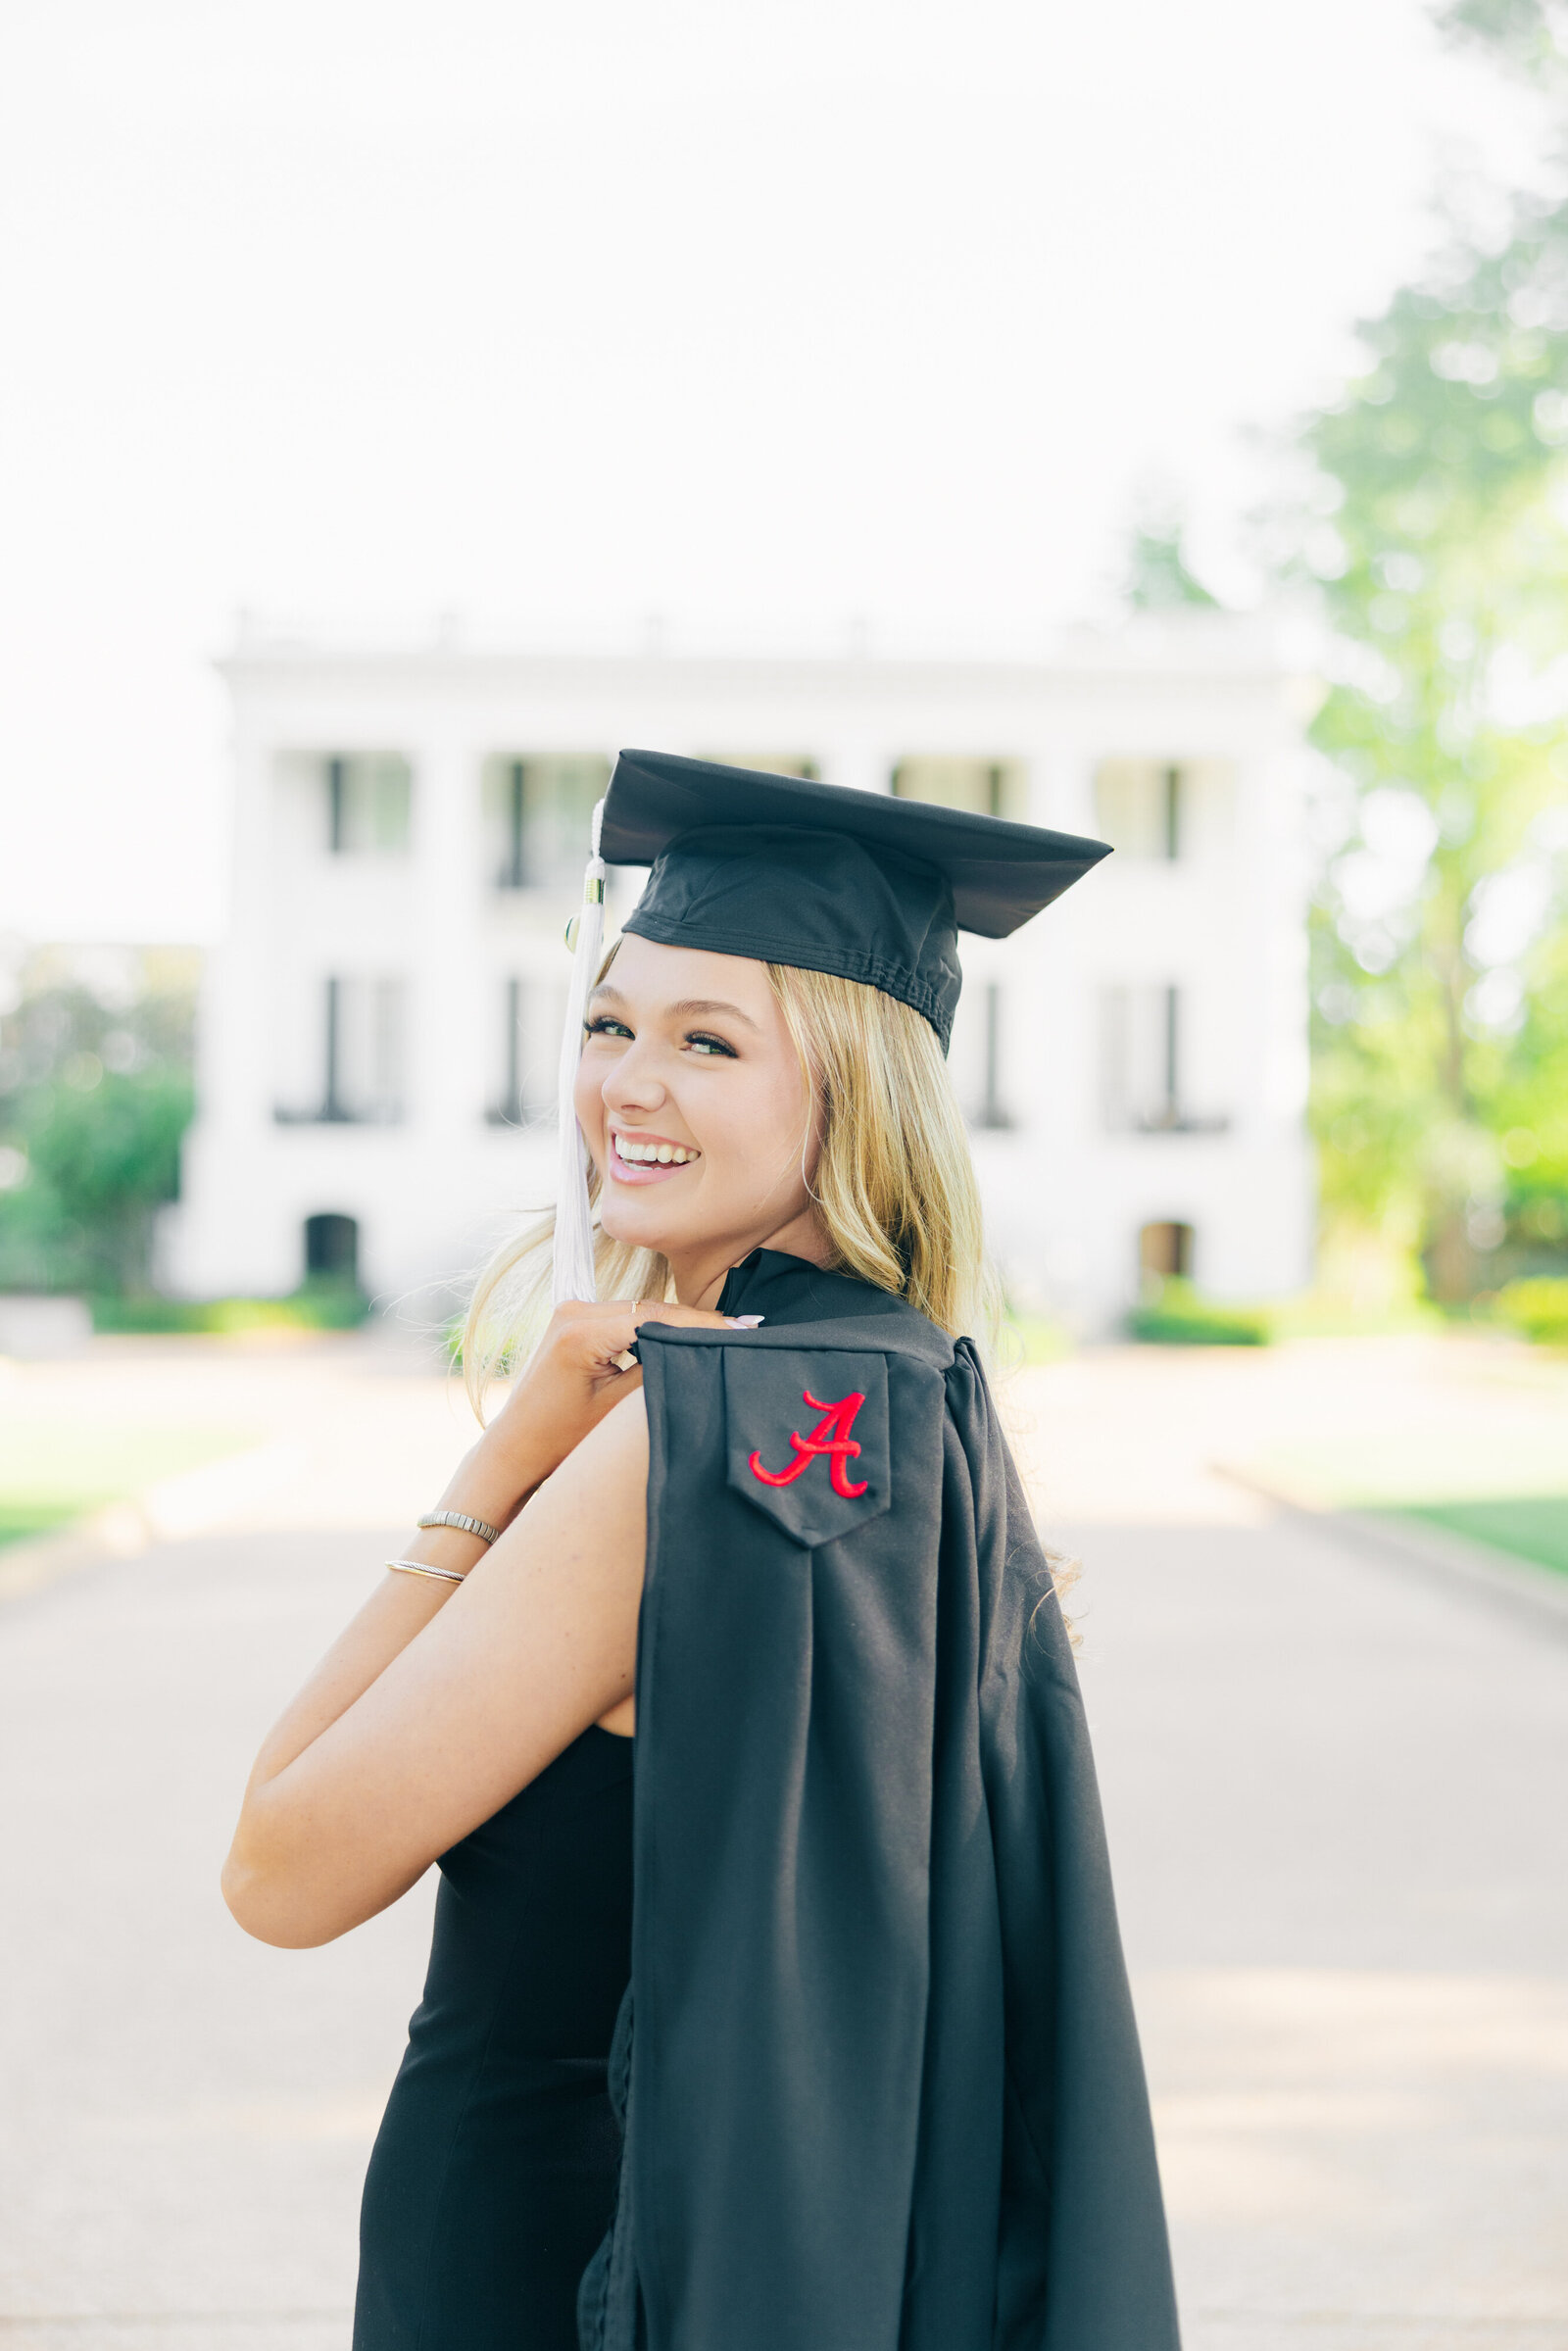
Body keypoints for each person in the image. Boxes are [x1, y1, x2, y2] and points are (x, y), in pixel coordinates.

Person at [222, 750, 1181, 2351]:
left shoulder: (684, 1442)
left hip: (553, 2251)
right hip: (783, 2257)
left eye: (708, 1040)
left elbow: (281, 1869)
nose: (625, 1085)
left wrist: (505, 1459)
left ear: (856, 1088)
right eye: (611, 1024)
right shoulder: (905, 1394)